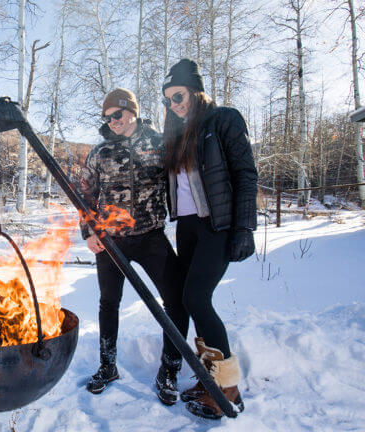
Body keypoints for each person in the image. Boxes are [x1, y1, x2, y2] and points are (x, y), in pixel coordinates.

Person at [78, 88, 189, 404]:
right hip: (111, 242)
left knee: (176, 301)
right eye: (107, 117)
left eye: (116, 114)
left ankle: (168, 371)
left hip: (152, 237)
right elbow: (85, 193)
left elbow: (185, 175)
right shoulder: (99, 153)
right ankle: (107, 365)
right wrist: (89, 231)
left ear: (132, 112)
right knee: (108, 303)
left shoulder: (158, 144)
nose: (111, 121)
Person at [161, 58, 257, 419]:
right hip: (187, 227)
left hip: (216, 225)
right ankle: (209, 378)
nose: (175, 104)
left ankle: (228, 389)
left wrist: (244, 227)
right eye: (169, 99)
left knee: (196, 297)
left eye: (180, 95)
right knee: (192, 302)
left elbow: (245, 173)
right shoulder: (177, 134)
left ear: (197, 90)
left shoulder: (224, 120)